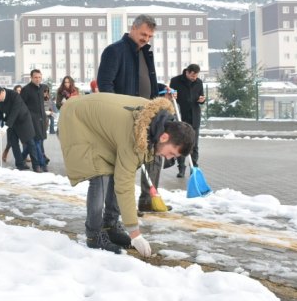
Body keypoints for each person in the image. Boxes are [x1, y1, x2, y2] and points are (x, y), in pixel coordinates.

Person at [58, 93, 195, 256]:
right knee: (100, 175)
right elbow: (124, 184)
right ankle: (94, 236)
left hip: (96, 121)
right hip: (77, 120)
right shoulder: (135, 134)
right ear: (164, 137)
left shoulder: (153, 124)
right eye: (171, 153)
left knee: (115, 171)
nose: (169, 158)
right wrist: (135, 234)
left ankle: (110, 226)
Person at [95, 14, 169, 213]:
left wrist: (162, 88)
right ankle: (116, 209)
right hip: (125, 117)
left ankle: (148, 198)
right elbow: (105, 84)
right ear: (133, 28)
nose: (146, 39)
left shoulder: (145, 53)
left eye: (150, 36)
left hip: (147, 115)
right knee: (125, 165)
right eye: (143, 34)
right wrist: (117, 112)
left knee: (153, 155)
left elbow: (143, 81)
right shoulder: (114, 51)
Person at [169, 64, 206, 177]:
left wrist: (202, 100)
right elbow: (171, 97)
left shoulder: (199, 82)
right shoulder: (175, 81)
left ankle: (194, 167)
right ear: (187, 72)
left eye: (196, 76)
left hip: (194, 117)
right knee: (181, 143)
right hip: (181, 116)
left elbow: (201, 97)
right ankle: (181, 168)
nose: (194, 78)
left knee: (194, 144)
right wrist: (172, 97)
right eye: (192, 75)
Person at [0, 85, 37, 171]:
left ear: (2, 92)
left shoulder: (14, 95)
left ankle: (36, 165)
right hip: (10, 122)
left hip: (23, 120)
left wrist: (6, 127)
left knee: (30, 142)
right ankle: (20, 165)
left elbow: (15, 112)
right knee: (14, 143)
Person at [19, 69, 48, 172]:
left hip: (42, 119)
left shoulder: (44, 88)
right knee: (36, 142)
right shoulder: (26, 89)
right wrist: (26, 117)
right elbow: (21, 105)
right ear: (31, 78)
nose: (38, 79)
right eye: (35, 77)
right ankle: (38, 164)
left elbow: (46, 100)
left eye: (39, 77)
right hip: (31, 120)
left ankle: (20, 159)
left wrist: (48, 112)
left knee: (36, 142)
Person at [0, 84, 22, 162]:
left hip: (21, 122)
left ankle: (24, 156)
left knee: (25, 141)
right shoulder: (12, 98)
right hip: (11, 122)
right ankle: (6, 151)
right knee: (10, 142)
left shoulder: (23, 98)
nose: (19, 92)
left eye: (20, 91)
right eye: (17, 90)